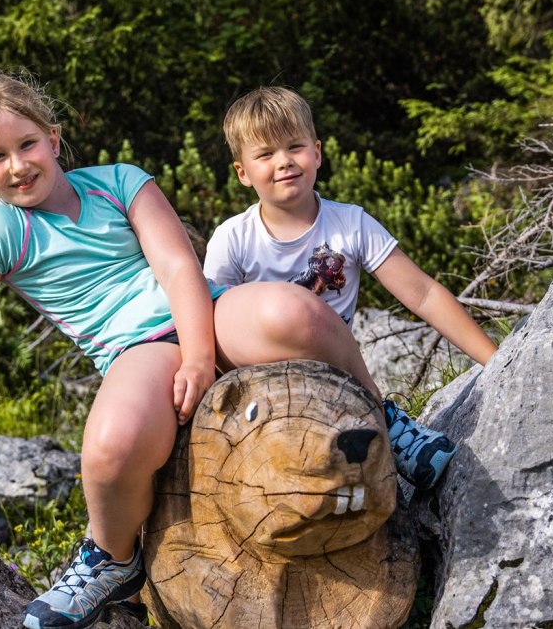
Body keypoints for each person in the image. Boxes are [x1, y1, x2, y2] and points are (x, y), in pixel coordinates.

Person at [0, 73, 383, 629]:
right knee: (110, 448)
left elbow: (178, 269)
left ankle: (387, 421)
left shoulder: (121, 182)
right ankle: (111, 558)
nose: (17, 166)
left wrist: (201, 357)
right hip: (137, 348)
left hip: (207, 311)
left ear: (53, 137)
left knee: (295, 309)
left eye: (27, 145)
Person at [203, 85, 499, 491]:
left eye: (295, 146)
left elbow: (423, 294)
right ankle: (380, 424)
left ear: (318, 153)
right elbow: (212, 327)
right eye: (265, 154)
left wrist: (496, 362)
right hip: (263, 388)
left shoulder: (351, 224)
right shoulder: (232, 239)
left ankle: (386, 428)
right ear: (242, 172)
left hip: (339, 378)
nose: (284, 162)